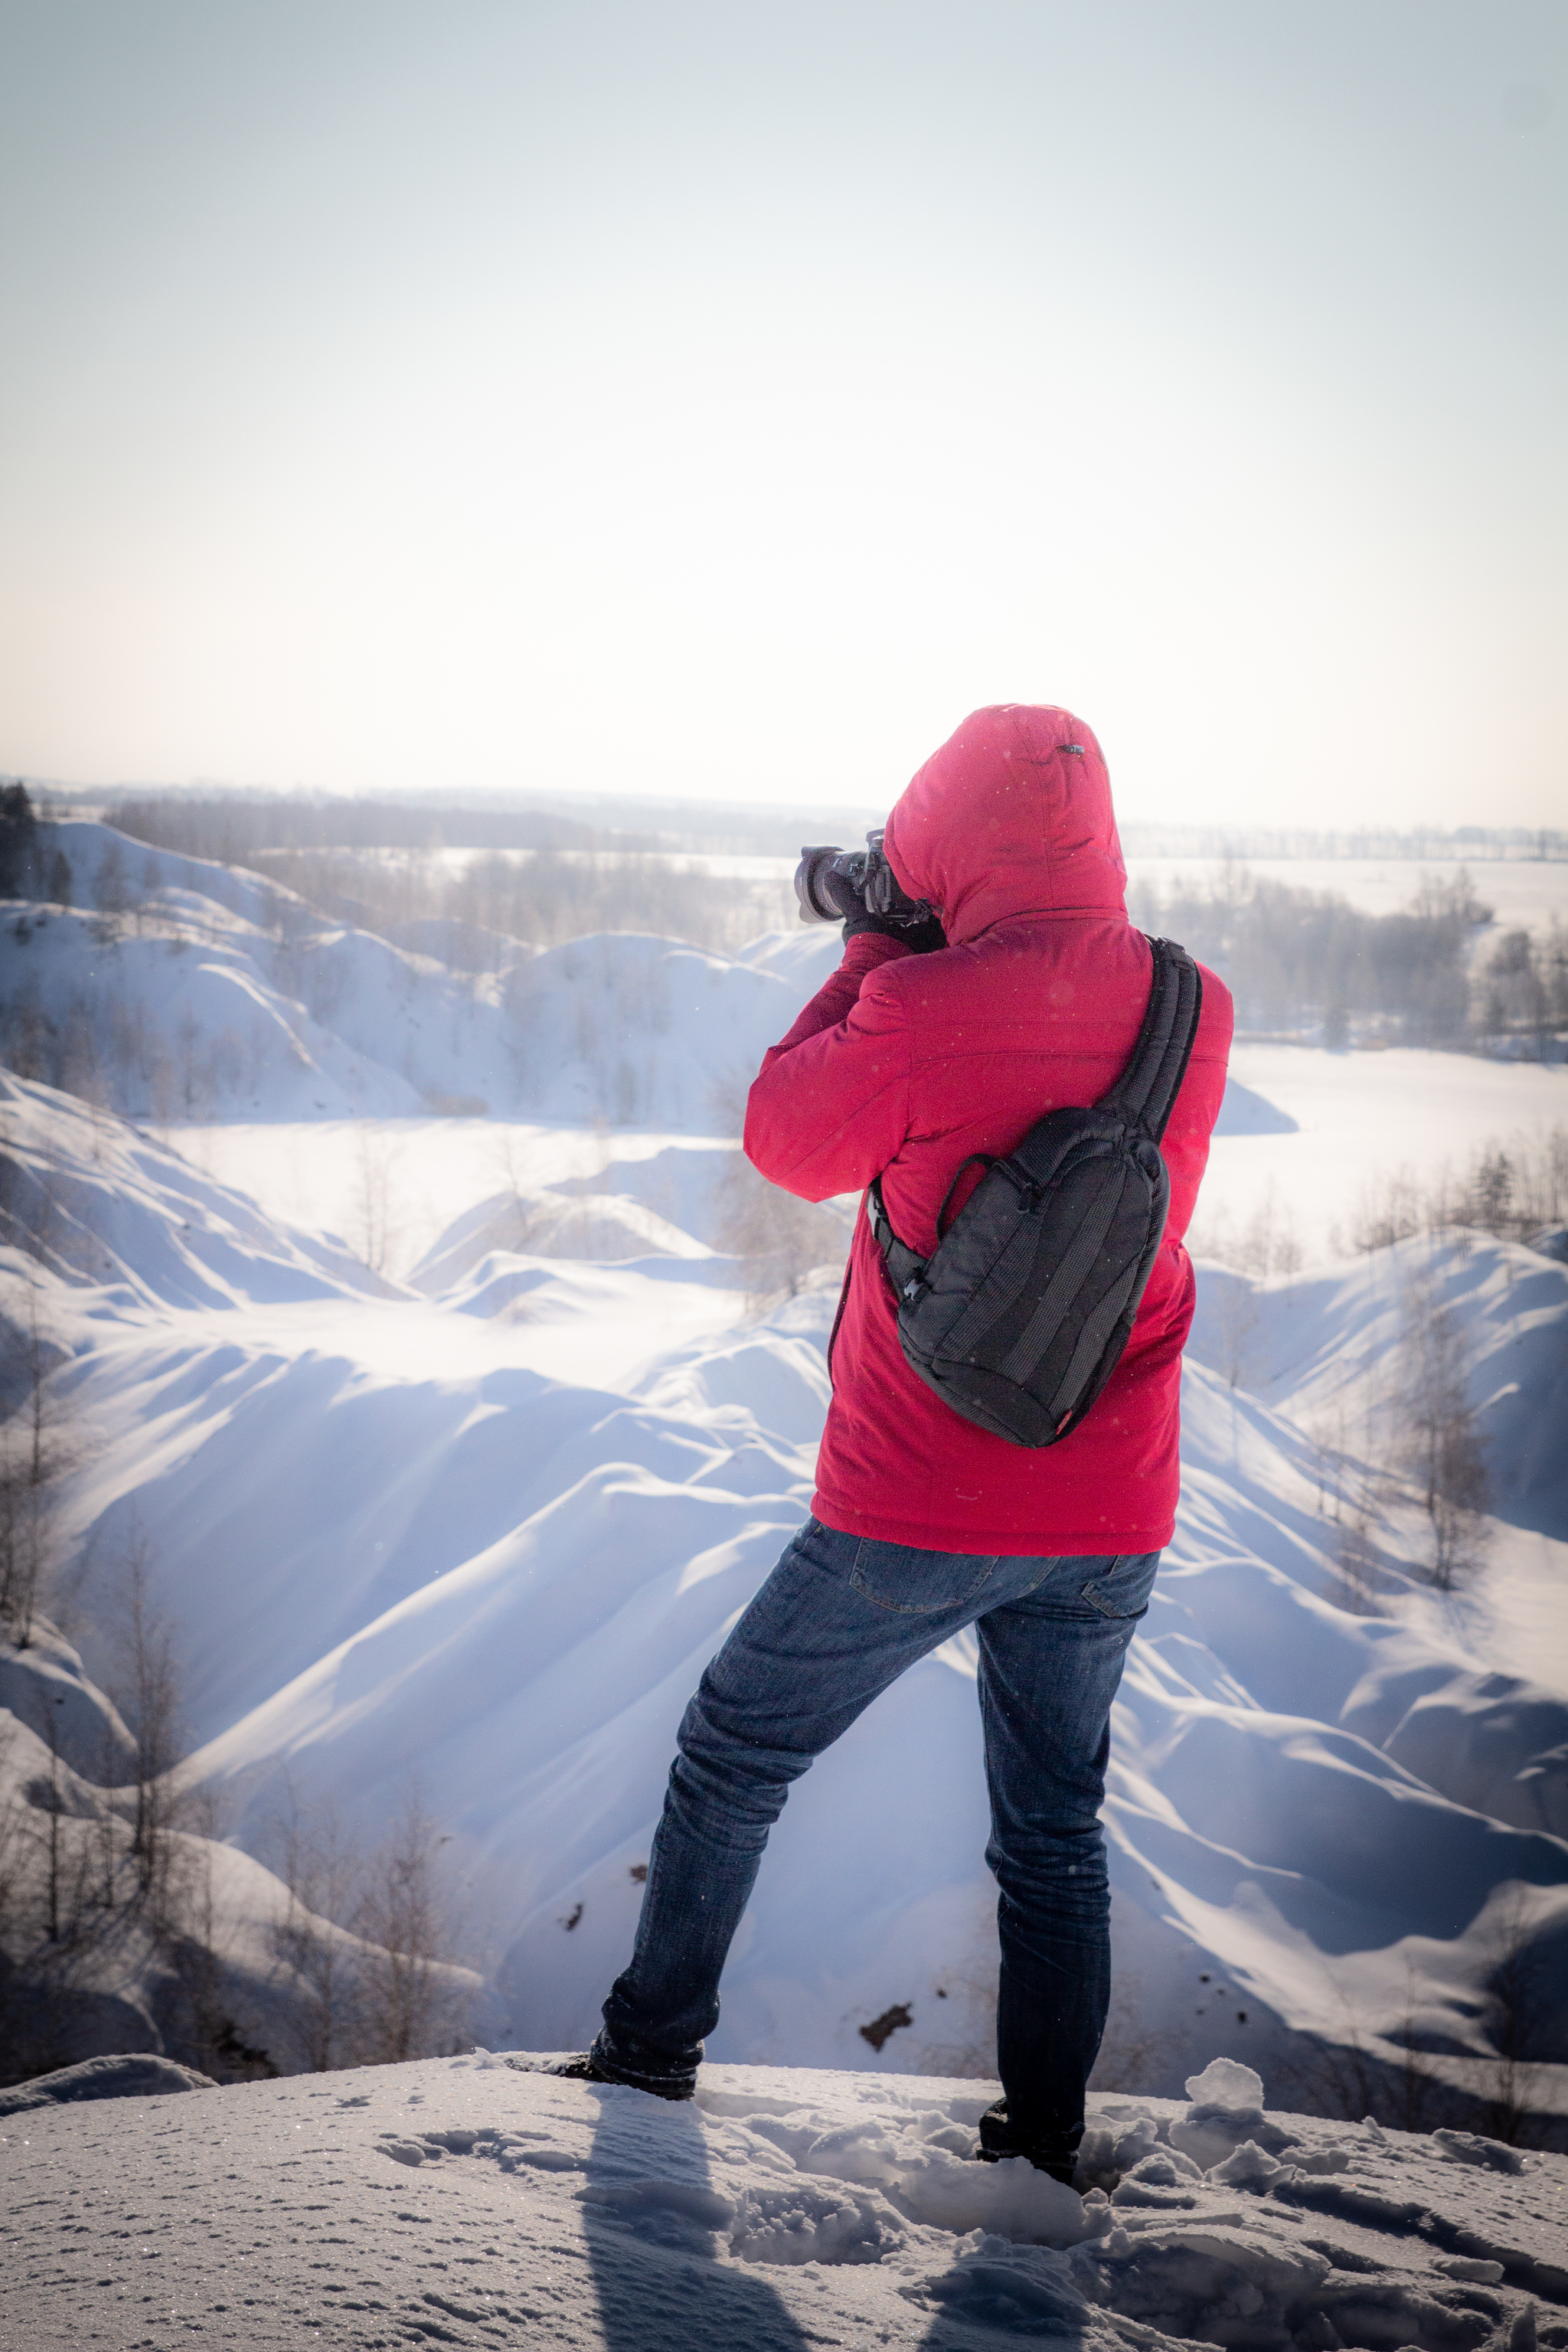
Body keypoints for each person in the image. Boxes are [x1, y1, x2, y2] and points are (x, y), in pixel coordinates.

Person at [553, 704, 1233, 2185]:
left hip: (919, 1493)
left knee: (732, 1753)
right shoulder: (1195, 1004)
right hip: (1111, 1500)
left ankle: (649, 2054)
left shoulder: (920, 1004)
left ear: (938, 837)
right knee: (1054, 1835)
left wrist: (873, 944)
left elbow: (785, 1143)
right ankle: (1045, 2145)